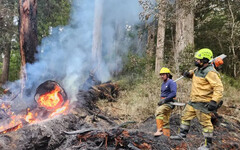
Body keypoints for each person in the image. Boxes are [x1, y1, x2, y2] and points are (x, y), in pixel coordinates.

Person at [170, 48, 224, 150]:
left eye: (198, 59)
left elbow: (219, 88)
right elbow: (192, 73)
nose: (196, 61)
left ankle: (207, 144)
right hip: (193, 101)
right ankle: (182, 134)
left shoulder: (210, 72)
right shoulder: (198, 69)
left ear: (204, 60)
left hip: (203, 103)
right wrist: (187, 74)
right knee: (185, 116)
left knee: (206, 124)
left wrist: (214, 101)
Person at [154, 67, 177, 137]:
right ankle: (167, 136)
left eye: (163, 74)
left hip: (169, 103)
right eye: (161, 75)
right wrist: (161, 101)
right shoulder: (163, 83)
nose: (162, 76)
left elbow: (173, 93)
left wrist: (165, 100)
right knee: (165, 120)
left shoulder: (171, 82)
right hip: (164, 102)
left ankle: (159, 130)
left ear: (167, 74)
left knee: (159, 111)